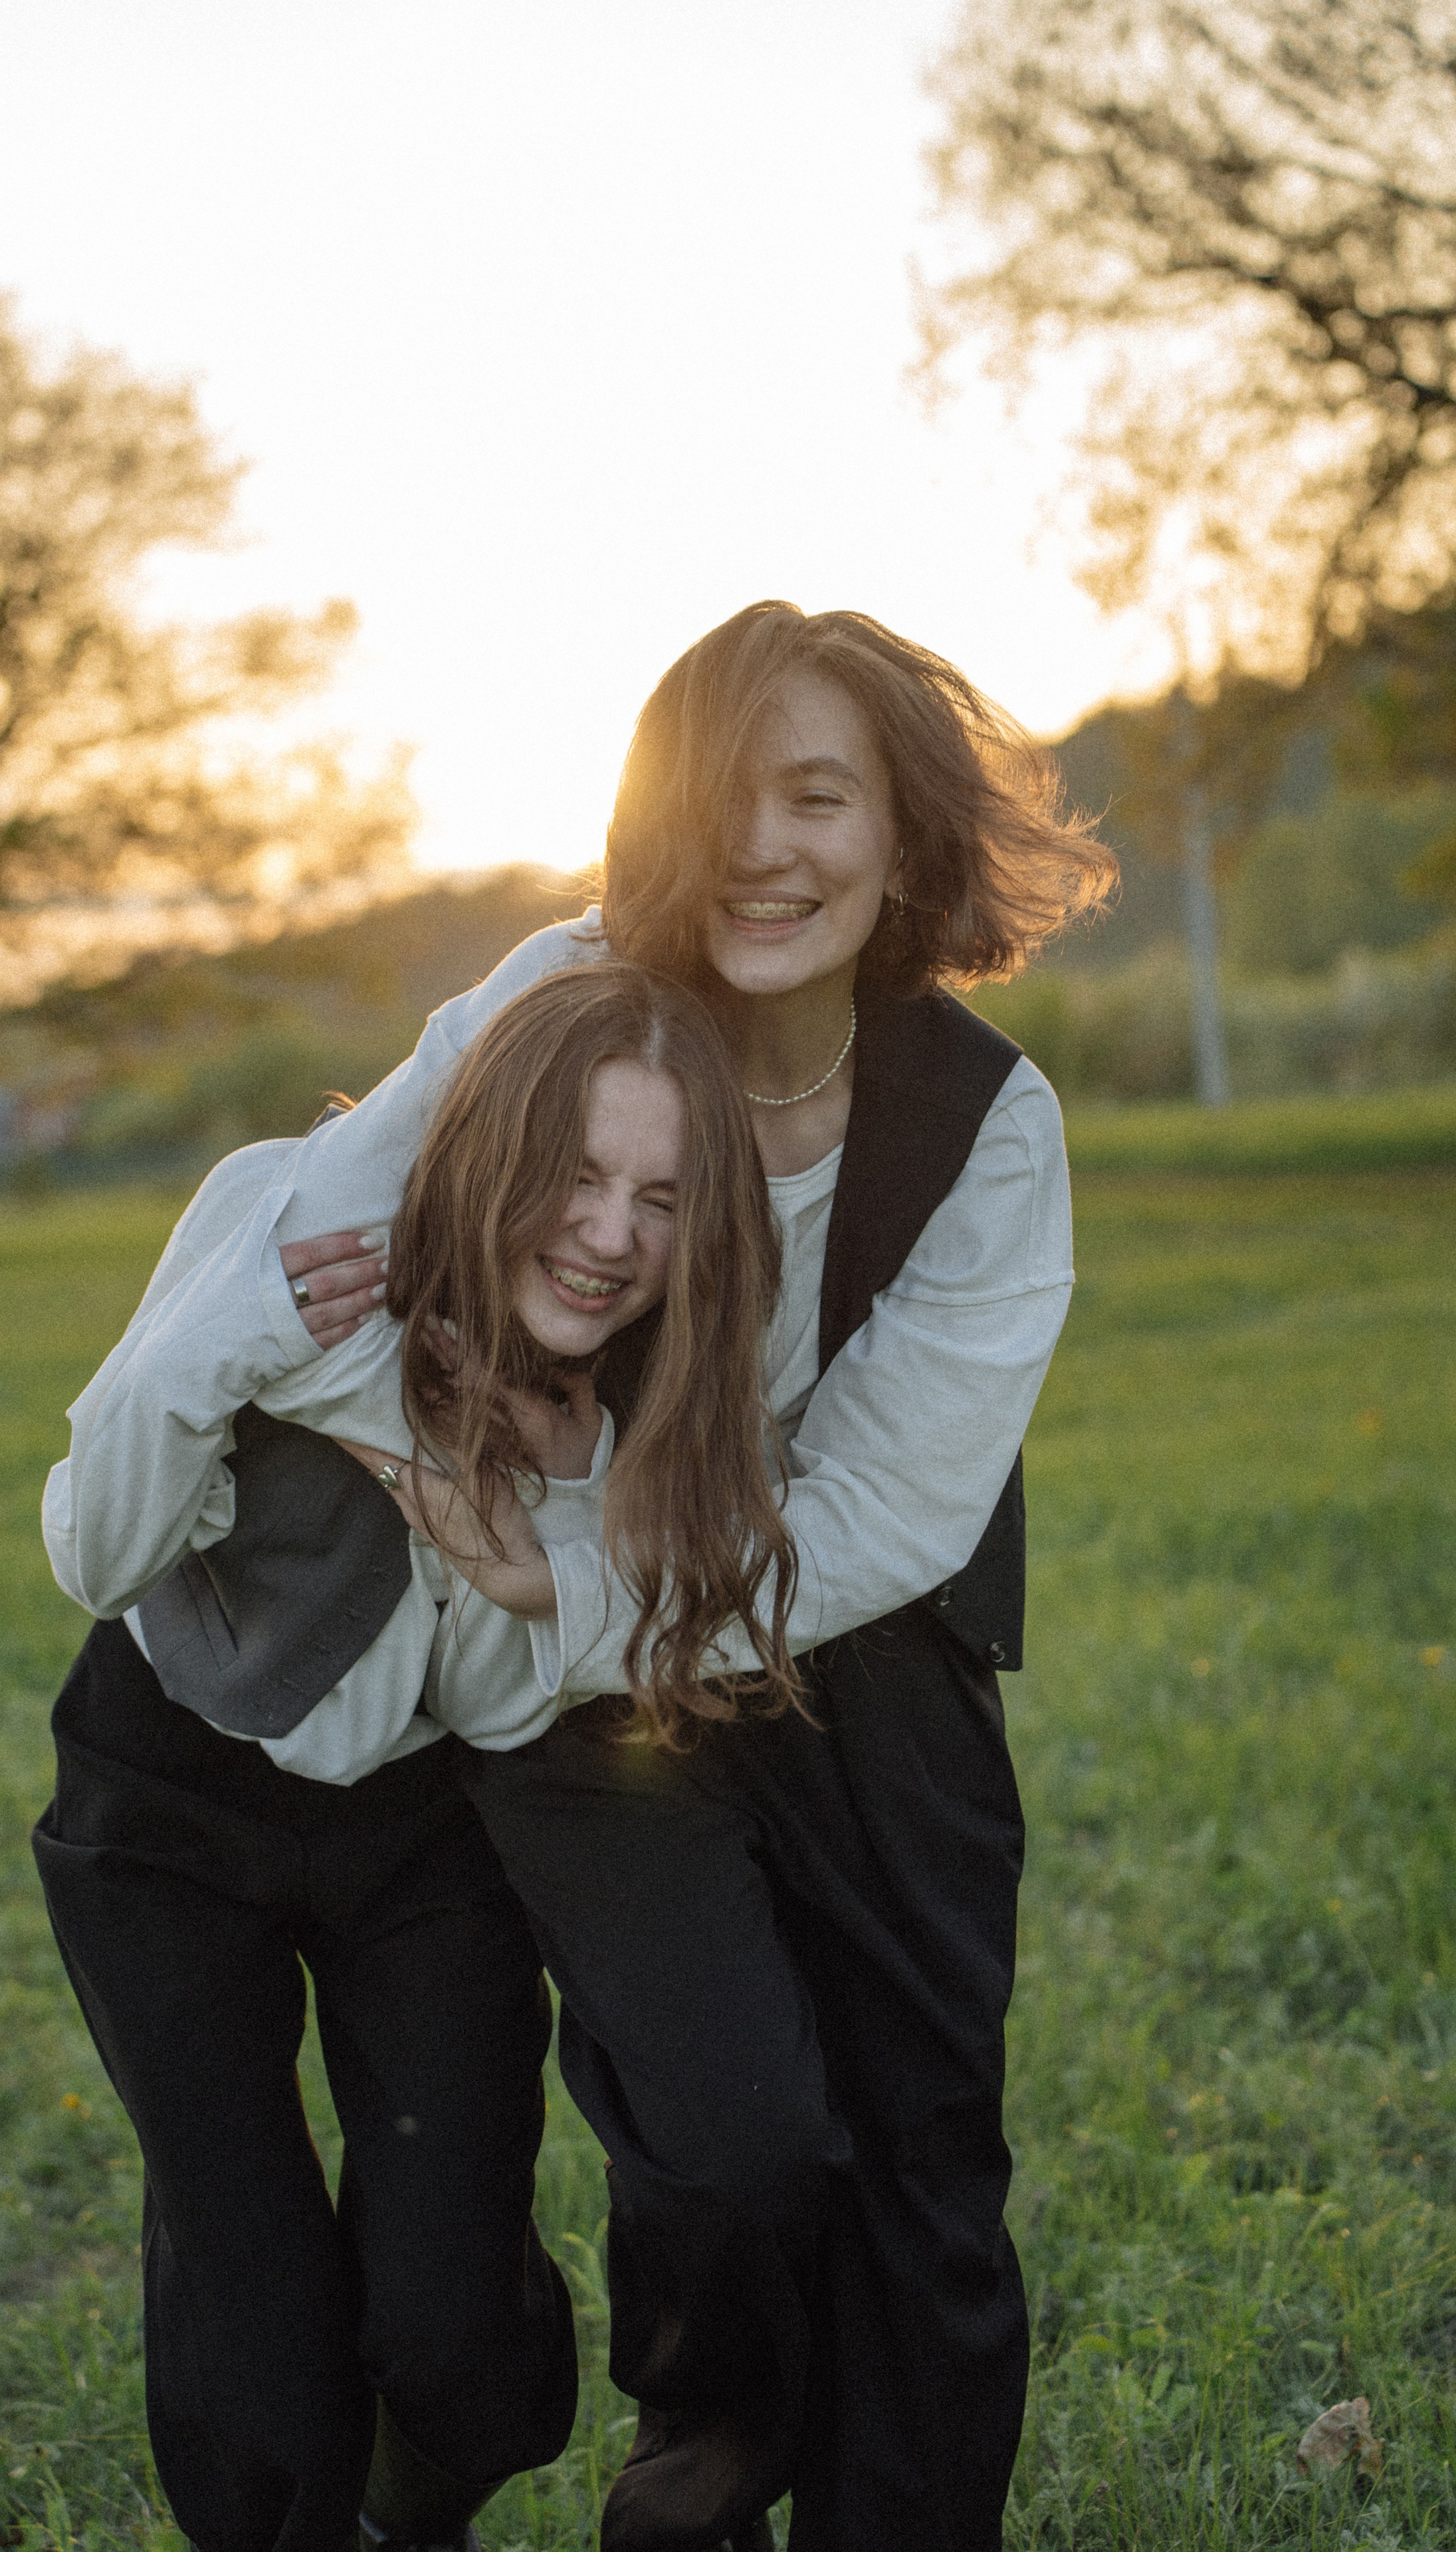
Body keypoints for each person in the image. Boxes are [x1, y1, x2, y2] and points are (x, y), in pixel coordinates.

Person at [274, 601, 1117, 2552]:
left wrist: (571, 1581)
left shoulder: (992, 1125)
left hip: (870, 1666)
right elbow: (302, 1248)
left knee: (923, 2165)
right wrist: (422, 1455)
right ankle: (696, 2486)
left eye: (818, 797)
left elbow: (893, 1517)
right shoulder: (557, 1003)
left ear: (900, 833)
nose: (764, 849)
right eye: (722, 801)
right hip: (588, 1695)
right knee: (729, 2151)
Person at [35, 962, 822, 2552]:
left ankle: (420, 2498)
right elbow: (94, 1549)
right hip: (169, 1793)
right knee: (253, 2312)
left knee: (461, 2342)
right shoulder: (282, 1227)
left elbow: (516, 1684)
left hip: (418, 1818)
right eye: (580, 1177)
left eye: (660, 1201)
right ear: (501, 1147)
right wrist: (238, 1344)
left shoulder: (632, 1411)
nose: (610, 1235)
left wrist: (545, 1485)